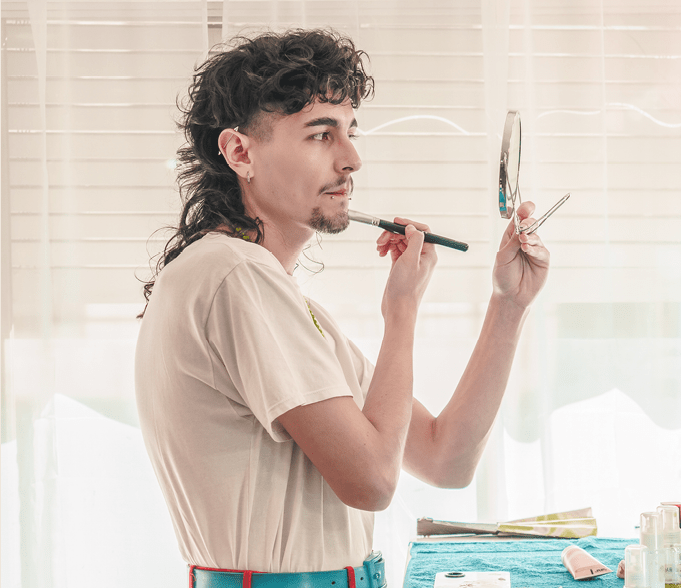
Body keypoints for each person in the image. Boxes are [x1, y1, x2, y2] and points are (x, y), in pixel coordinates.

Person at [135, 28, 550, 587]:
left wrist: (509, 304)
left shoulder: (271, 295)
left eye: (350, 131)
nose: (352, 158)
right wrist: (400, 312)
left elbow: (446, 459)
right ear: (240, 152)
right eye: (320, 134)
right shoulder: (236, 277)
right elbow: (373, 482)